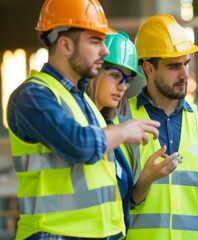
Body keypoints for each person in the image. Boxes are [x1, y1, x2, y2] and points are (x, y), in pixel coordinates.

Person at [6, 0, 160, 239]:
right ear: (66, 45)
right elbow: (79, 144)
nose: (105, 51)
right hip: (54, 234)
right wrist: (123, 132)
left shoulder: (82, 100)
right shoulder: (32, 96)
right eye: (95, 41)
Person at [116, 14, 198, 239]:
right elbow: (111, 206)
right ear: (149, 69)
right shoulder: (120, 119)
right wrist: (145, 181)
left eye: (186, 63)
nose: (184, 74)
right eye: (174, 66)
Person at [86, 31, 180, 236]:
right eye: (114, 75)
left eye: (127, 80)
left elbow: (122, 205)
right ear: (94, 69)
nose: (122, 87)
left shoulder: (110, 125)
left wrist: (147, 177)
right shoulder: (82, 122)